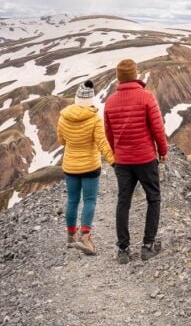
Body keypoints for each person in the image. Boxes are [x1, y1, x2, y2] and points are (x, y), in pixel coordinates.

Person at [103, 59, 168, 264]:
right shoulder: (146, 97)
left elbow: (108, 133)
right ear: (135, 75)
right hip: (145, 158)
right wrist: (163, 150)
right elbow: (157, 128)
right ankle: (148, 246)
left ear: (119, 77)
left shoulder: (110, 101)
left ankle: (123, 249)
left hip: (123, 161)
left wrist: (118, 152)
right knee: (153, 198)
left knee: (124, 201)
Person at [56, 80, 115, 256]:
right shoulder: (94, 118)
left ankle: (70, 236)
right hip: (90, 166)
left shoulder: (63, 116)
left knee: (72, 200)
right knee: (89, 200)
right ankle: (85, 237)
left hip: (70, 166)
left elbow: (61, 140)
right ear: (90, 100)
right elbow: (102, 143)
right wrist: (113, 161)